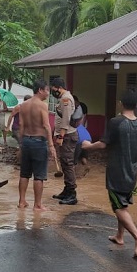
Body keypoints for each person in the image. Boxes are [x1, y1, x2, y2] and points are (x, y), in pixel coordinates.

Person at [82, 90, 137, 258]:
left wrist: (87, 146)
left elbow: (103, 144)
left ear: (120, 103)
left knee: (118, 207)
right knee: (123, 203)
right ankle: (119, 236)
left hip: (117, 170)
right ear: (136, 105)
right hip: (132, 171)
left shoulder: (116, 122)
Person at [17, 80, 56, 210]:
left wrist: (20, 145)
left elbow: (21, 126)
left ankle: (22, 201)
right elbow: (46, 125)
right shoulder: (42, 105)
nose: (48, 93)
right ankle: (37, 204)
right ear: (40, 90)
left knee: (24, 174)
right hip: (39, 142)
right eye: (47, 90)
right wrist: (51, 145)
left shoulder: (23, 105)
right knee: (39, 175)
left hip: (26, 141)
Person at [50, 77, 79, 205]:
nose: (52, 91)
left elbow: (66, 119)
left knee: (68, 164)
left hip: (67, 136)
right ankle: (67, 190)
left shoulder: (65, 99)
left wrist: (61, 137)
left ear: (58, 87)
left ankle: (72, 194)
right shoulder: (63, 98)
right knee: (65, 163)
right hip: (65, 136)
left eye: (53, 89)